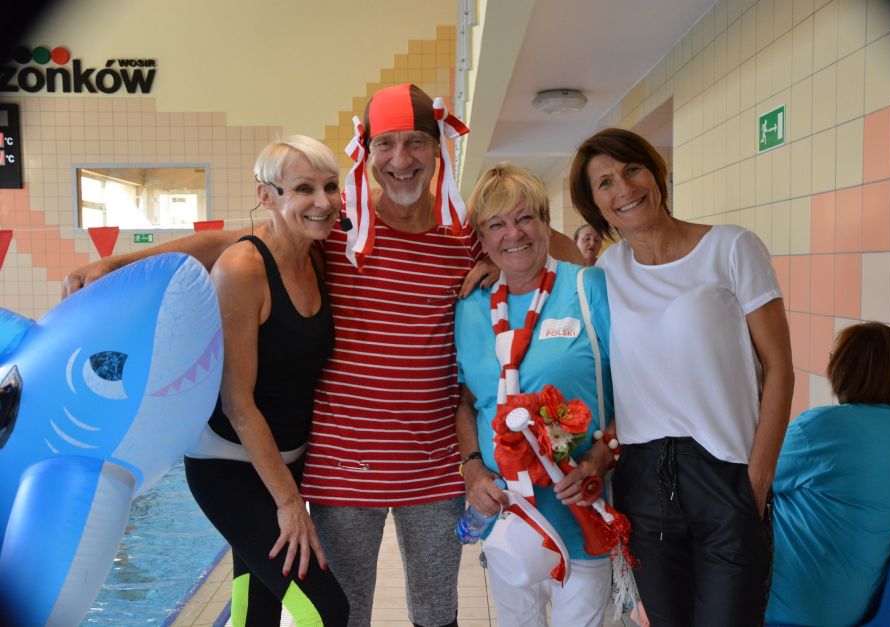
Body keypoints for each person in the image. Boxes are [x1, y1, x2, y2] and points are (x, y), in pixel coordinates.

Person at [62, 84, 583, 627]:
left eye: (415, 143)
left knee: (436, 613)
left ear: (438, 149)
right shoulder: (339, 226)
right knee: (343, 612)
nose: (401, 160)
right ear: (368, 153)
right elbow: (231, 242)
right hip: (342, 464)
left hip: (433, 467)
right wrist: (116, 264)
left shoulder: (463, 234)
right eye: (386, 145)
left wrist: (509, 261)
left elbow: (557, 250)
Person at [569, 127, 794, 626]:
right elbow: (537, 262)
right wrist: (487, 263)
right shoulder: (608, 270)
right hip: (643, 483)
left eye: (632, 169)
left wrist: (757, 482)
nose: (624, 188)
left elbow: (780, 367)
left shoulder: (731, 248)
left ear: (656, 172)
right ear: (596, 207)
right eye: (605, 183)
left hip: (726, 473)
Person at [183, 136, 349, 626]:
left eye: (330, 186)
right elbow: (237, 403)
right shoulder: (243, 269)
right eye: (304, 188)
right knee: (325, 611)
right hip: (230, 469)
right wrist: (290, 503)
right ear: (267, 196)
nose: (323, 202)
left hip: (286, 462)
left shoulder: (316, 254)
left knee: (257, 610)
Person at [454, 163, 616, 626]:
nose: (513, 234)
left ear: (546, 222)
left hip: (580, 516)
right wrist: (472, 469)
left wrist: (601, 455)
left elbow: (640, 389)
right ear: (482, 239)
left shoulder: (588, 288)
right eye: (496, 224)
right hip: (508, 520)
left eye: (525, 217)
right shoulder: (470, 306)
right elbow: (467, 401)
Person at [766, 322, 890, 627]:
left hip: (790, 603)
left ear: (848, 369)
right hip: (857, 610)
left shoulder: (821, 428)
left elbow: (750, 482)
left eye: (834, 357)